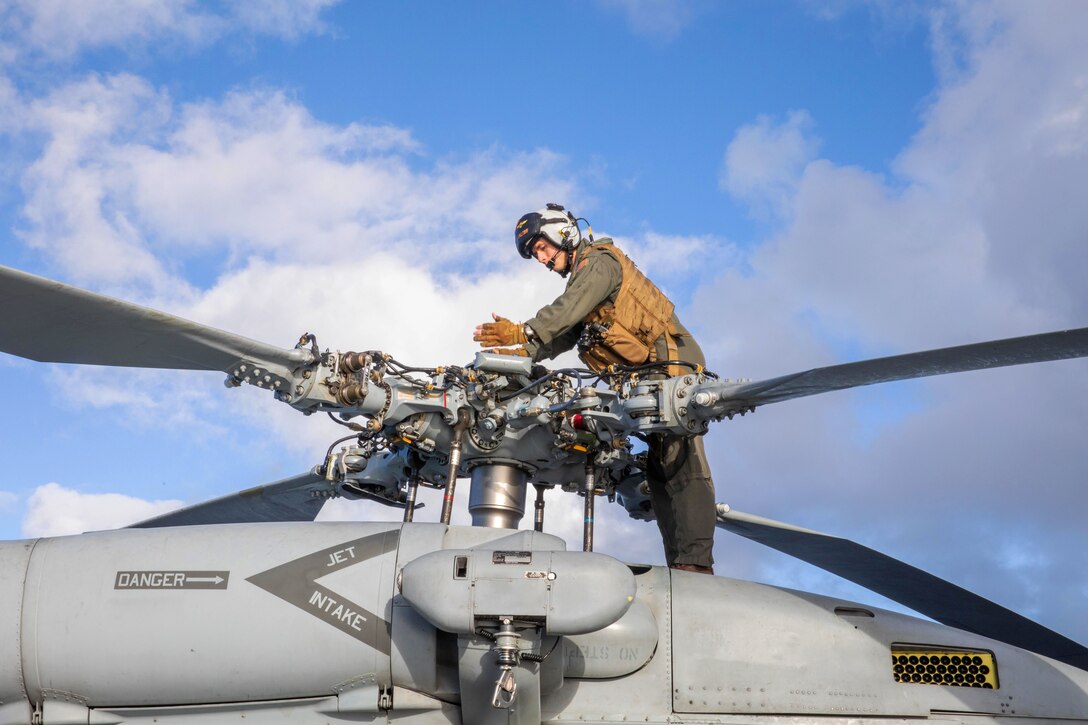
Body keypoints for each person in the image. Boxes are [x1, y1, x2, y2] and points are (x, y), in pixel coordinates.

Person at [473, 203, 716, 574]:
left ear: (562, 234)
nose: (541, 259)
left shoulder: (599, 263)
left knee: (680, 462)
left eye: (541, 248)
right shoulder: (583, 280)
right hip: (644, 378)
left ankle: (695, 564)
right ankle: (682, 562)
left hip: (671, 369)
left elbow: (567, 310)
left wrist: (526, 331)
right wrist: (521, 352)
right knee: (659, 468)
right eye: (535, 253)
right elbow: (564, 333)